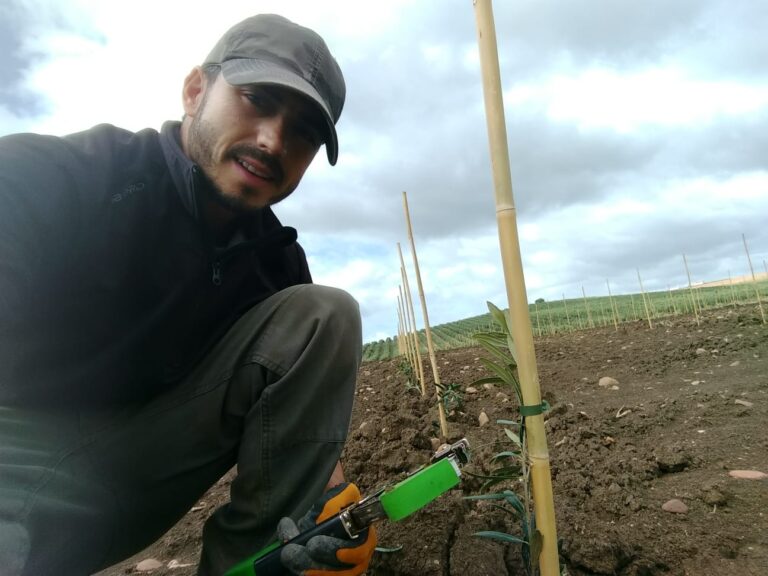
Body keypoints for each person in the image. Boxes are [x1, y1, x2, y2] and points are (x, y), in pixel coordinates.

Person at [0, 13, 375, 576]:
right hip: (16, 460)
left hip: (139, 475)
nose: (273, 140)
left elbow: (301, 428)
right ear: (196, 90)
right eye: (257, 99)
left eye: (303, 131)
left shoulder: (277, 264)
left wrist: (330, 509)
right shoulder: (58, 178)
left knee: (324, 315)